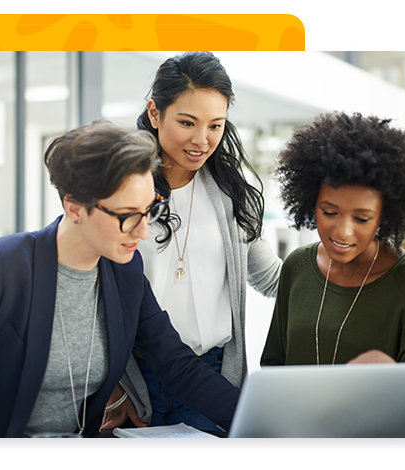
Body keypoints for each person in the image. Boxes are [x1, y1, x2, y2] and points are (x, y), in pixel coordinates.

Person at [0, 120, 240, 437]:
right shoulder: (0, 267)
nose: (144, 231)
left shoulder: (125, 272)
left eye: (150, 210)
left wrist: (260, 419)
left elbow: (177, 366)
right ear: (74, 208)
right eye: (128, 215)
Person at [101, 51, 282, 433]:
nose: (202, 140)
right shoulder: (120, 190)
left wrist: (346, 267)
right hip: (136, 381)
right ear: (155, 113)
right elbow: (92, 295)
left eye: (215, 125)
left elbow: (272, 278)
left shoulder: (233, 195)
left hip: (213, 377)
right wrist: (114, 386)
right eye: (187, 122)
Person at [260, 111, 405, 436]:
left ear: (385, 217)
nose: (342, 232)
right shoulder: (296, 267)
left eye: (361, 219)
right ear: (309, 201)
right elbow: (273, 371)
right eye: (329, 212)